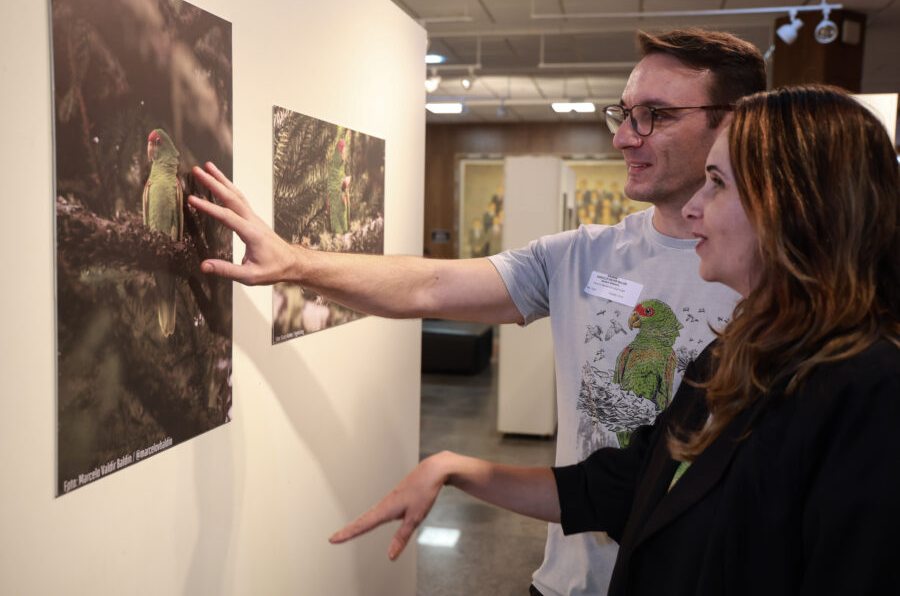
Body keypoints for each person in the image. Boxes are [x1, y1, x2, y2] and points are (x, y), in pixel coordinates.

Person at [188, 29, 766, 595]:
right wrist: (293, 262)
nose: (623, 138)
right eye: (625, 114)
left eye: (655, 116)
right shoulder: (583, 254)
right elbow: (430, 287)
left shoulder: (779, 280)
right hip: (570, 582)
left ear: (734, 123)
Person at [329, 85, 900, 595]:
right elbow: (624, 486)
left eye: (718, 183)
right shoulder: (733, 353)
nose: (695, 207)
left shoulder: (869, 393)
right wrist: (454, 467)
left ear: (795, 205)